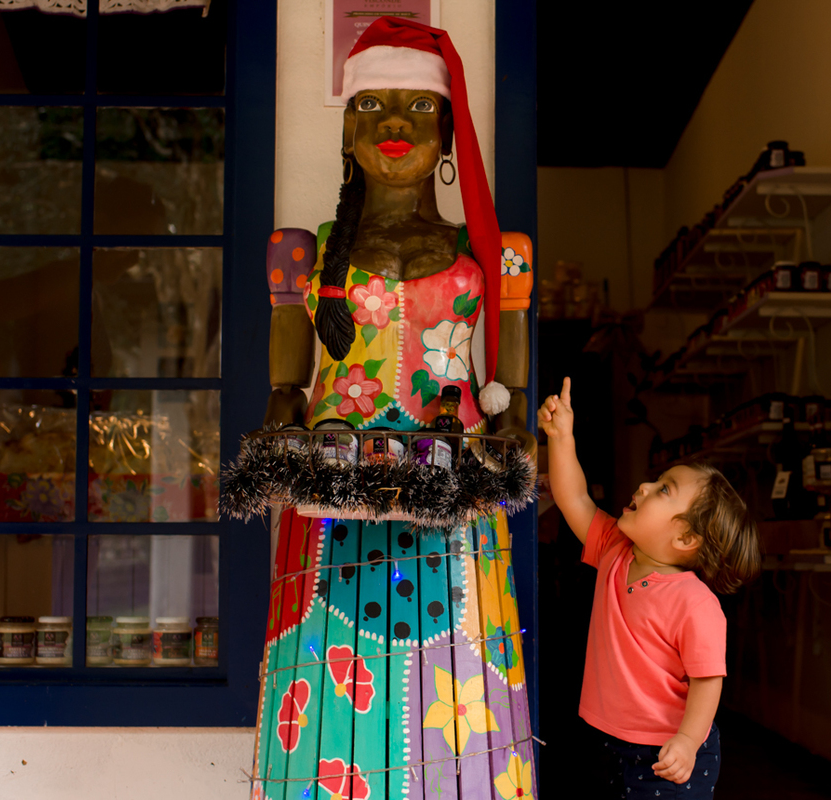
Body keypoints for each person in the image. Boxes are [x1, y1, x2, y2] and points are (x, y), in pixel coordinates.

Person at [247, 18, 536, 800]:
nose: (396, 123)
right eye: (372, 106)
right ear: (346, 132)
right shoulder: (304, 251)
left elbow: (505, 387)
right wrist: (281, 422)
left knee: (453, 685)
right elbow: (286, 386)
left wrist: (508, 429)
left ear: (447, 131)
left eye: (416, 105)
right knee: (331, 676)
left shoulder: (491, 253)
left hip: (455, 491)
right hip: (333, 488)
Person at [538, 377, 761, 798]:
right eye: (656, 480)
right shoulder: (614, 549)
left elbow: (707, 680)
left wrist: (689, 742)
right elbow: (574, 499)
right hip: (612, 741)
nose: (644, 486)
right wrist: (562, 437)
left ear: (685, 539)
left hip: (671, 750)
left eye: (663, 490)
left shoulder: (696, 603)